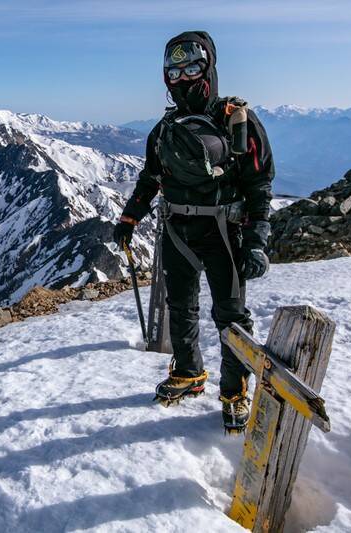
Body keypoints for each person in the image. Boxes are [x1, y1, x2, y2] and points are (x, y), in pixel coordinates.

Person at [113, 31, 274, 433]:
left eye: (192, 67)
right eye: (175, 70)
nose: (184, 78)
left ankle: (234, 391)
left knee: (230, 314)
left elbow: (259, 185)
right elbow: (150, 179)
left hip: (223, 228)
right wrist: (129, 219)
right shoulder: (166, 128)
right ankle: (188, 371)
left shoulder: (237, 120)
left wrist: (257, 241)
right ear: (166, 77)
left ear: (209, 67)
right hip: (179, 227)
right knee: (181, 305)